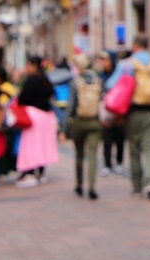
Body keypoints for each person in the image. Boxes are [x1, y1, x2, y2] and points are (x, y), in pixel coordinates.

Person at [120, 35, 150, 199]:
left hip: (133, 113)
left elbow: (112, 85)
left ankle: (137, 187)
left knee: (134, 150)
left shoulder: (126, 65)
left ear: (135, 45)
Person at [66, 55, 105, 199]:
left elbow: (71, 106)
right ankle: (92, 187)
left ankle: (79, 185)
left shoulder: (76, 82)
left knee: (79, 154)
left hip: (80, 121)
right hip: (95, 121)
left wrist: (65, 127)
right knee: (93, 154)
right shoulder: (99, 81)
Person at [15, 55, 56, 187]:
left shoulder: (31, 80)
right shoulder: (45, 79)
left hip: (33, 115)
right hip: (46, 116)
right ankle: (41, 172)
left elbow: (22, 98)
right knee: (42, 144)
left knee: (31, 145)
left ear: (33, 66)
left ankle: (30, 172)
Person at [97, 51, 127, 177]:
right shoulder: (100, 76)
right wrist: (101, 115)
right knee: (107, 139)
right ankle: (107, 164)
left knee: (120, 138)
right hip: (106, 112)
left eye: (106, 60)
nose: (103, 63)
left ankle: (119, 162)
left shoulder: (118, 74)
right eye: (102, 60)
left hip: (119, 111)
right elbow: (99, 96)